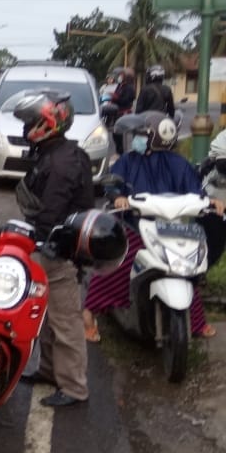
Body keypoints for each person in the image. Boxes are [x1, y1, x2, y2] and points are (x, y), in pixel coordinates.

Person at [84, 113, 219, 339]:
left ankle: (195, 321)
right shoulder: (128, 161)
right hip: (135, 226)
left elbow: (196, 190)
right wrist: (118, 196)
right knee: (118, 262)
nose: (137, 138)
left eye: (142, 135)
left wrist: (209, 201)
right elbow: (113, 184)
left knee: (183, 265)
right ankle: (88, 313)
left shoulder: (178, 164)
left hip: (170, 227)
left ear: (152, 137)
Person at [14, 90, 94, 407]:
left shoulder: (61, 162)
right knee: (46, 316)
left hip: (59, 251)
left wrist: (36, 239)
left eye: (30, 122)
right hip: (50, 246)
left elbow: (51, 211)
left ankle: (74, 387)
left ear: (46, 124)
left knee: (65, 321)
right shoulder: (55, 153)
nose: (25, 128)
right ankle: (49, 371)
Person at [111, 68, 137, 155]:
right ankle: (120, 151)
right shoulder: (119, 86)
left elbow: (126, 100)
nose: (119, 77)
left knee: (122, 133)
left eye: (121, 75)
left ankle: (124, 152)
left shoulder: (130, 88)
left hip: (125, 113)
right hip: (117, 111)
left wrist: (116, 98)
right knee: (116, 133)